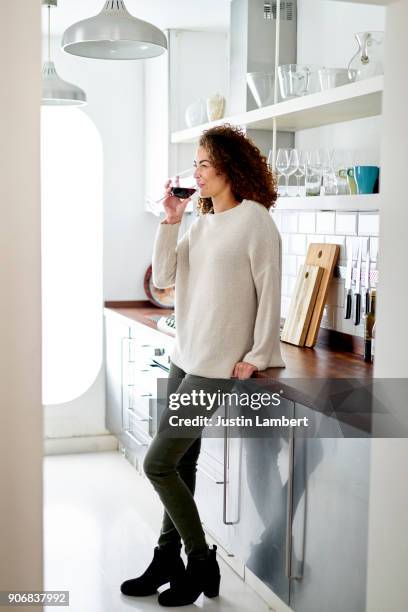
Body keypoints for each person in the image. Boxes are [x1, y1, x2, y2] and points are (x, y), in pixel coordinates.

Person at [120, 124, 285, 606]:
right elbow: (166, 279)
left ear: (229, 168)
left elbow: (271, 290)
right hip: (184, 354)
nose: (196, 173)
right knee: (182, 462)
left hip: (215, 363)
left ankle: (199, 558)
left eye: (204, 164)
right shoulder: (202, 221)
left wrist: (257, 355)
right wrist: (171, 220)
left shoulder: (255, 221)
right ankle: (166, 556)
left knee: (158, 462)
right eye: (194, 163)